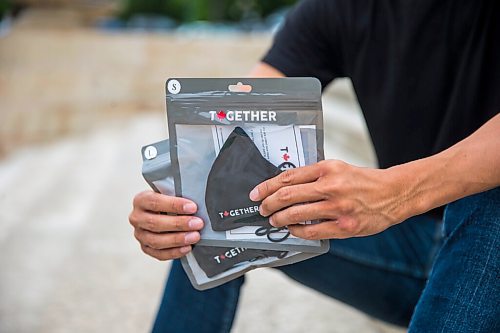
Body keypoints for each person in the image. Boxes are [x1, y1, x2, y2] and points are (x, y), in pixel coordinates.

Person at [128, 0, 500, 332]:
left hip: (485, 246)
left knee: (491, 196)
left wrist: (395, 192)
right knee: (207, 214)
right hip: (410, 254)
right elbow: (233, 136)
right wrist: (173, 211)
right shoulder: (336, 10)